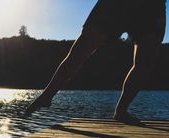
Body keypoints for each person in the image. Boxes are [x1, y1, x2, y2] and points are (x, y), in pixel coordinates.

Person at [25, 0, 166, 123]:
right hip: (118, 4)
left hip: (152, 7)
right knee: (81, 50)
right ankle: (47, 95)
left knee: (145, 61)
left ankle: (121, 111)